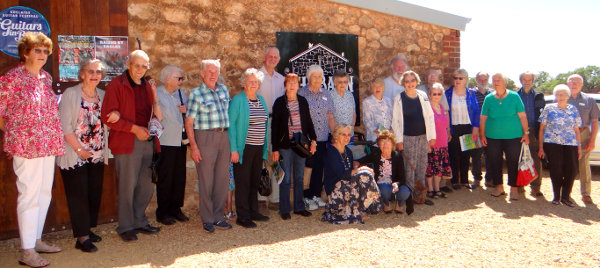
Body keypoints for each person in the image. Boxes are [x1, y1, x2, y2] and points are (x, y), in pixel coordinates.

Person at [0, 32, 65, 267]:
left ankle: (35, 239)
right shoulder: (12, 78)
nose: (42, 55)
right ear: (25, 52)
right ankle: (26, 250)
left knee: (44, 193)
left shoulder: (45, 78)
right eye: (37, 50)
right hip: (25, 145)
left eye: (45, 51)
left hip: (48, 143)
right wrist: (15, 133)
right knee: (29, 194)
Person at [101, 50, 163, 242]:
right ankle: (126, 226)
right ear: (128, 63)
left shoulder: (146, 86)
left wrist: (154, 94)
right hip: (127, 141)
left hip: (148, 141)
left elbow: (155, 115)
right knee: (128, 186)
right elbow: (108, 117)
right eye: (137, 65)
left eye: (144, 66)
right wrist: (134, 129)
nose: (140, 69)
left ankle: (139, 221)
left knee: (146, 185)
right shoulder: (116, 85)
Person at [57, 59, 116, 252]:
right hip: (75, 154)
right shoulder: (70, 94)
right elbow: (64, 127)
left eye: (98, 72)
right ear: (82, 73)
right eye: (90, 71)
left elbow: (110, 116)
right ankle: (82, 237)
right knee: (78, 195)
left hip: (97, 154)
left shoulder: (103, 95)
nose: (95, 75)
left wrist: (115, 113)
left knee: (93, 193)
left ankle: (87, 230)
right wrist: (80, 150)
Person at [185, 59, 232, 233]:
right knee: (206, 180)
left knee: (222, 180)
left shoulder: (224, 90)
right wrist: (194, 147)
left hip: (223, 136)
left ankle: (219, 216)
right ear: (202, 73)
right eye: (209, 71)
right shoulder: (196, 94)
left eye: (215, 71)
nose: (213, 75)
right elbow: (188, 123)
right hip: (204, 137)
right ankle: (207, 218)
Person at [271, 73, 317, 220]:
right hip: (285, 145)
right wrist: (275, 149)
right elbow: (275, 127)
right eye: (289, 83)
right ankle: (284, 209)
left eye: (295, 83)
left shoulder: (303, 101)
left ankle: (299, 207)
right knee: (285, 179)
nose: (292, 85)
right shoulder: (279, 103)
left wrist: (314, 140)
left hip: (300, 145)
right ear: (285, 85)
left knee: (299, 177)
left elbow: (309, 122)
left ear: (298, 85)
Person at [228, 68, 270, 228]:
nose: (253, 84)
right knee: (243, 182)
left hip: (258, 148)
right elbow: (231, 125)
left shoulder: (261, 100)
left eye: (256, 82)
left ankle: (253, 211)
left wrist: (265, 148)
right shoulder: (238, 101)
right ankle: (243, 216)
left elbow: (265, 123)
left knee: (254, 181)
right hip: (243, 148)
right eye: (250, 81)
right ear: (244, 84)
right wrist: (233, 149)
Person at [480, 73, 529, 200]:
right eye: (494, 80)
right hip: (492, 136)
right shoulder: (489, 98)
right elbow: (483, 118)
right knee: (495, 161)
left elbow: (522, 116)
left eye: (499, 80)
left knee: (513, 161)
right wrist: (482, 135)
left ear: (505, 82)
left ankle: (514, 188)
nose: (496, 82)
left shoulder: (514, 96)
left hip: (513, 136)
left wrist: (526, 133)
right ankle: (499, 187)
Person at [392, 71, 436, 205]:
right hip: (407, 137)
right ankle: (409, 196)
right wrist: (399, 140)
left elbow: (429, 116)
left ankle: (420, 195)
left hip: (423, 137)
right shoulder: (399, 98)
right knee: (409, 168)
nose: (410, 83)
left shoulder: (423, 96)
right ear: (403, 83)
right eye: (407, 81)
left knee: (422, 166)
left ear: (416, 81)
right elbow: (395, 121)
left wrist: (432, 136)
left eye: (412, 80)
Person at [322, 125, 382, 224]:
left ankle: (362, 208)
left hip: (346, 184)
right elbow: (342, 175)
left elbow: (350, 173)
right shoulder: (331, 152)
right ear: (336, 136)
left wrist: (358, 169)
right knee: (364, 174)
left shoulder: (348, 151)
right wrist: (360, 170)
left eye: (349, 135)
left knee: (366, 174)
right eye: (343, 134)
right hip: (335, 189)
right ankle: (356, 209)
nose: (347, 137)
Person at [155, 65, 189, 225]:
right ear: (167, 78)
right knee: (165, 177)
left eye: (181, 78)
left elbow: (188, 116)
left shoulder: (182, 94)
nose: (181, 81)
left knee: (179, 177)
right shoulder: (157, 94)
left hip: (180, 142)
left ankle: (176, 208)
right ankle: (163, 212)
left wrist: (186, 110)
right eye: (178, 78)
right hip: (165, 142)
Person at [538, 84, 582, 207]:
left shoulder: (573, 109)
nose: (560, 96)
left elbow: (577, 130)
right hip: (552, 143)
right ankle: (556, 196)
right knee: (556, 170)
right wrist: (541, 147)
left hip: (570, 143)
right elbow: (541, 129)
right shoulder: (549, 108)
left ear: (568, 96)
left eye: (563, 94)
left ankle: (566, 197)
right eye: (558, 94)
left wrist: (579, 147)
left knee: (572, 170)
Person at [299, 65, 335, 210]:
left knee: (319, 167)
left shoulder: (326, 94)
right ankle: (306, 196)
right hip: (308, 139)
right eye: (314, 76)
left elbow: (330, 116)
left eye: (320, 77)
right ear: (308, 78)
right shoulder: (302, 93)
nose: (317, 79)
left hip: (322, 138)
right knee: (308, 167)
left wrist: (334, 133)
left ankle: (315, 195)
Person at [355, 130, 413, 214]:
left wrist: (397, 184)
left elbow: (402, 178)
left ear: (392, 144)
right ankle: (386, 203)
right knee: (384, 189)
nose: (385, 145)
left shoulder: (397, 156)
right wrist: (357, 162)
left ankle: (399, 204)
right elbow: (365, 159)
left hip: (394, 186)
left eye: (387, 142)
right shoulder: (376, 154)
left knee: (405, 191)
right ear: (379, 145)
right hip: (382, 186)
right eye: (382, 142)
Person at [256, 46, 286, 209]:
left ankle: (275, 199)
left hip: (276, 122)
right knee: (260, 158)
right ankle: (261, 197)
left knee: (275, 158)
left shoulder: (281, 79)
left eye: (276, 57)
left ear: (279, 60)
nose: (273, 59)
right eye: (270, 56)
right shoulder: (257, 77)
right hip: (260, 121)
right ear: (264, 56)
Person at [566, 74, 599, 205]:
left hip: (584, 132)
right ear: (567, 83)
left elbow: (595, 122)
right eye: (571, 82)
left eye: (577, 82)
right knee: (566, 164)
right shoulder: (562, 97)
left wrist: (592, 140)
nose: (574, 84)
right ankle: (565, 192)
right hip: (566, 134)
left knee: (584, 165)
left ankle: (586, 194)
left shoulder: (589, 100)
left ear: (581, 85)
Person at [445, 69, 480, 190]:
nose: (458, 80)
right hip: (454, 127)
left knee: (466, 154)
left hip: (468, 127)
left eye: (461, 78)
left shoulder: (471, 93)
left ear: (466, 79)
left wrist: (475, 128)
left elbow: (476, 111)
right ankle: (455, 181)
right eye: (455, 78)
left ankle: (464, 180)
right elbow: (445, 112)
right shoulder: (448, 93)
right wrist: (448, 130)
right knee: (454, 154)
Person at [517, 71, 545, 197]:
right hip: (518, 130)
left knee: (535, 159)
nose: (527, 82)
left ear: (533, 81)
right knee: (518, 157)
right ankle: (519, 185)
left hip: (534, 130)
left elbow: (542, 114)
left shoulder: (539, 95)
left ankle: (535, 187)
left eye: (529, 80)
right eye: (524, 79)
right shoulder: (515, 95)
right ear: (521, 80)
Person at [426, 83, 452, 198]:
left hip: (443, 143)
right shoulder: (427, 109)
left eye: (439, 93)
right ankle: (430, 189)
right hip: (432, 143)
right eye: (434, 93)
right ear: (430, 95)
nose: (437, 96)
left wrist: (448, 133)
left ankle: (437, 189)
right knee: (430, 167)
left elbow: (446, 125)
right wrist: (427, 143)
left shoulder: (442, 108)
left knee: (438, 168)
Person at [472, 72, 494, 188]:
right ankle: (476, 178)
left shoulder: (492, 94)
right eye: (480, 79)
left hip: (490, 129)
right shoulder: (471, 93)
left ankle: (489, 178)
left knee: (490, 154)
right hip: (476, 127)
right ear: (476, 80)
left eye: (485, 79)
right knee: (476, 155)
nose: (483, 81)